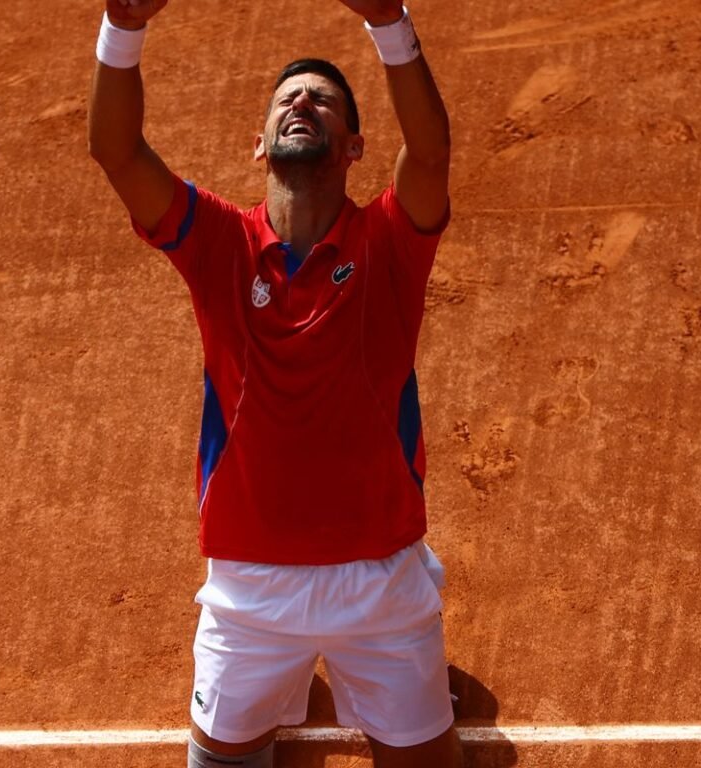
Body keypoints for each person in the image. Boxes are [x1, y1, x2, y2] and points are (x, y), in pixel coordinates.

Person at [88, 1, 458, 765]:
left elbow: (429, 154)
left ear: (354, 147)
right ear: (258, 145)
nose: (302, 102)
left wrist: (389, 21)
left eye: (322, 98)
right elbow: (118, 153)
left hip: (379, 581)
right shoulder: (218, 242)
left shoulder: (389, 241)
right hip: (250, 588)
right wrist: (122, 27)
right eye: (289, 97)